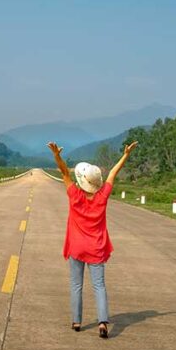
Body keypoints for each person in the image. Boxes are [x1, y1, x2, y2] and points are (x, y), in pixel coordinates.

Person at [47, 140, 138, 339]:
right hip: (96, 248)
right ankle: (103, 322)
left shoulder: (74, 196)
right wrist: (125, 155)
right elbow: (113, 173)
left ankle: (77, 321)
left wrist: (57, 156)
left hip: (77, 248)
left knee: (76, 285)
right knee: (99, 286)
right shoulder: (102, 196)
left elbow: (64, 173)